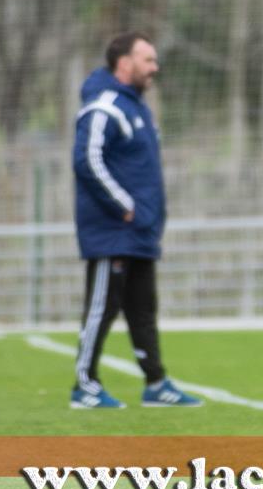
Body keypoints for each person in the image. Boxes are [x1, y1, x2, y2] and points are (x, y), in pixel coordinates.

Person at [70, 32, 201, 409]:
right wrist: (124, 206)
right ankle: (85, 385)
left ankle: (156, 383)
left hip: (140, 231)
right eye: (148, 60)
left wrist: (147, 216)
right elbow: (87, 161)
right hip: (113, 232)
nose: (154, 68)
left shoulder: (139, 108)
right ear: (124, 63)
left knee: (143, 309)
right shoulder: (104, 106)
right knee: (102, 307)